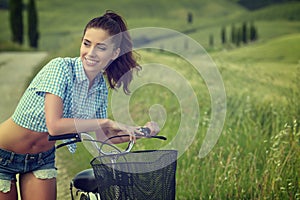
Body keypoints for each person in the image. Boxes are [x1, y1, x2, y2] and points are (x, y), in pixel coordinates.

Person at [0, 10, 160, 200]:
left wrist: (140, 131)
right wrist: (103, 122)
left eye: (101, 48)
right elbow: (55, 125)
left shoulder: (100, 87)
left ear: (114, 53)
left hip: (41, 159)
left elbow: (103, 137)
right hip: (3, 156)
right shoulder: (60, 69)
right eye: (86, 44)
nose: (90, 53)